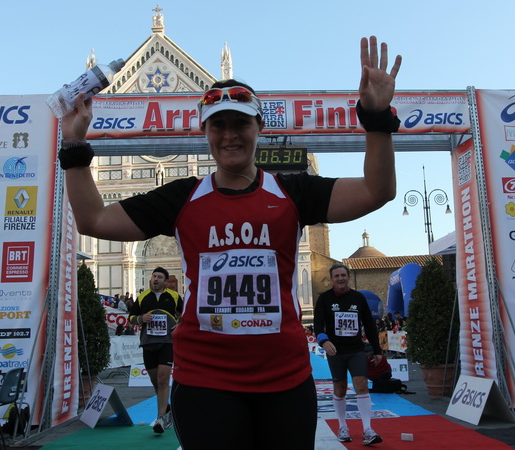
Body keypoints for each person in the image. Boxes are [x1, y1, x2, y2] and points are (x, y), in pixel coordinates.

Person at [59, 35, 401, 449]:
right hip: (205, 382)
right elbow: (93, 219)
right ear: (204, 131)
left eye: (240, 124)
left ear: (259, 128)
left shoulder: (292, 192)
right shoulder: (182, 197)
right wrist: (74, 145)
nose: (229, 135)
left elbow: (377, 190)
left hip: (284, 381)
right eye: (218, 125)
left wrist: (376, 118)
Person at [313, 263, 385, 446]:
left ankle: (367, 430)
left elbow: (369, 325)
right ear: (331, 280)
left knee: (361, 385)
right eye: (336, 276)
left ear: (348, 277)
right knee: (340, 388)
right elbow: (318, 324)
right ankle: (342, 426)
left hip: (356, 350)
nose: (340, 279)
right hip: (335, 351)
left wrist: (377, 350)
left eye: (343, 275)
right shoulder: (324, 299)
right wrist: (324, 341)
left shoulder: (358, 298)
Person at [128, 267, 182, 433]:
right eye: (154, 276)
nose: (155, 279)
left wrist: (180, 325)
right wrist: (141, 318)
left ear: (165, 282)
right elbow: (131, 318)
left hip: (167, 342)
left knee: (163, 379)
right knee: (155, 381)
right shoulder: (142, 297)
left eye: (159, 277)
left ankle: (160, 418)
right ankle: (166, 408)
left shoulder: (174, 296)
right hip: (148, 343)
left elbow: (185, 314)